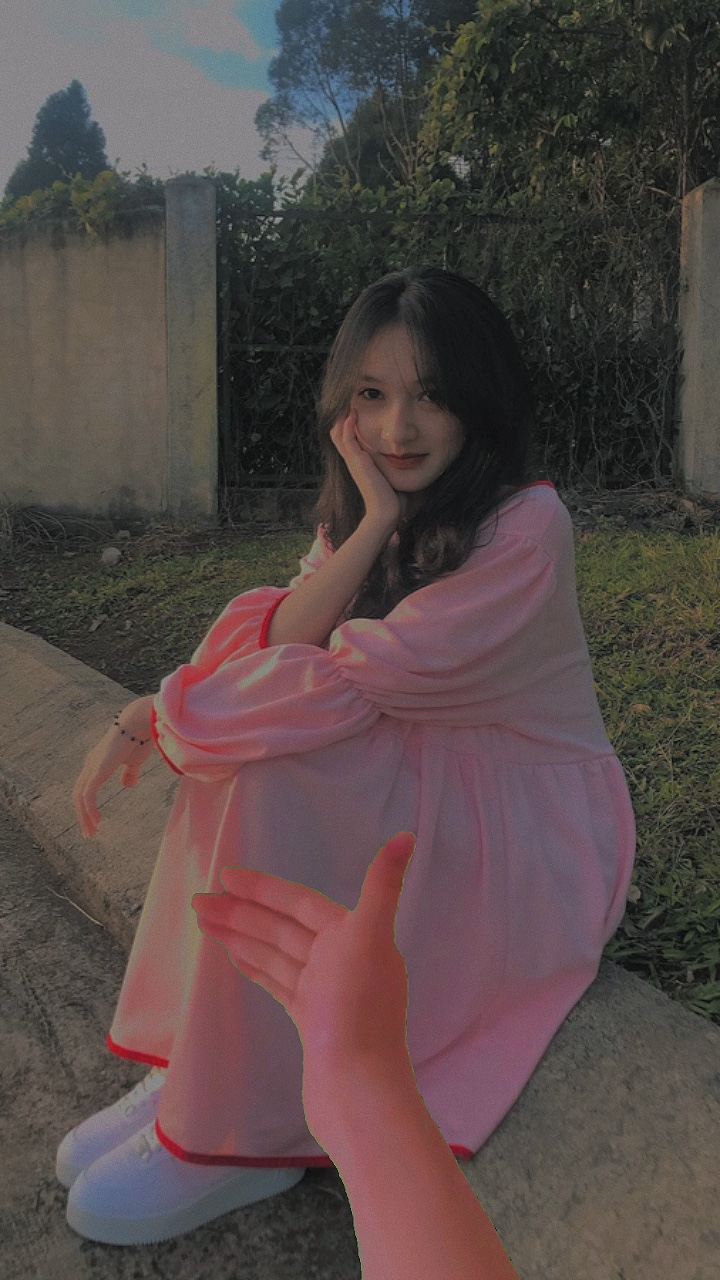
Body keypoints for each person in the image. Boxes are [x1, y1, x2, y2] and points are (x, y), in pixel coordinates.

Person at [64, 267, 636, 1274]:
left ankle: (240, 1129)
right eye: (371, 394)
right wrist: (370, 520)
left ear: (480, 399)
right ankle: (208, 1058)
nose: (398, 427)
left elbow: (343, 679)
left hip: (519, 821)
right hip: (423, 767)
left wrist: (163, 714)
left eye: (431, 394)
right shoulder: (375, 510)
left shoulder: (526, 529)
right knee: (259, 745)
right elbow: (283, 633)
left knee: (273, 757)